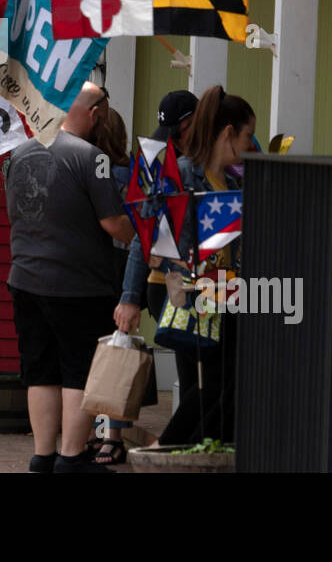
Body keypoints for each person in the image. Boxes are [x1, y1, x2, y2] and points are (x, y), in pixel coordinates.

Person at [4, 81, 135, 474]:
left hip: (24, 277)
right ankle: (72, 456)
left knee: (40, 370)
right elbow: (113, 223)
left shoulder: (19, 153)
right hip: (79, 283)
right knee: (79, 370)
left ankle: (42, 455)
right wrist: (144, 234)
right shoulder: (93, 158)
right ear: (96, 113)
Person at [147, 85, 254, 447]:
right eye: (248, 135)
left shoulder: (235, 180)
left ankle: (192, 448)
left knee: (224, 381)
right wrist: (131, 298)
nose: (250, 144)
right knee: (212, 382)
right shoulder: (183, 174)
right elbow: (150, 240)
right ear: (229, 134)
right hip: (195, 293)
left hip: (227, 293)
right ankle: (170, 447)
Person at [116, 90, 199, 337]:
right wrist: (129, 297)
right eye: (168, 137)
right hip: (172, 284)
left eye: (177, 134)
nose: (172, 143)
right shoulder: (175, 172)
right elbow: (144, 232)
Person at [88, 102, 136, 466]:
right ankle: (112, 435)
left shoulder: (89, 171)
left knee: (93, 351)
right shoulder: (133, 171)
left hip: (95, 264)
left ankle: (94, 432)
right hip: (125, 263)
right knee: (117, 350)